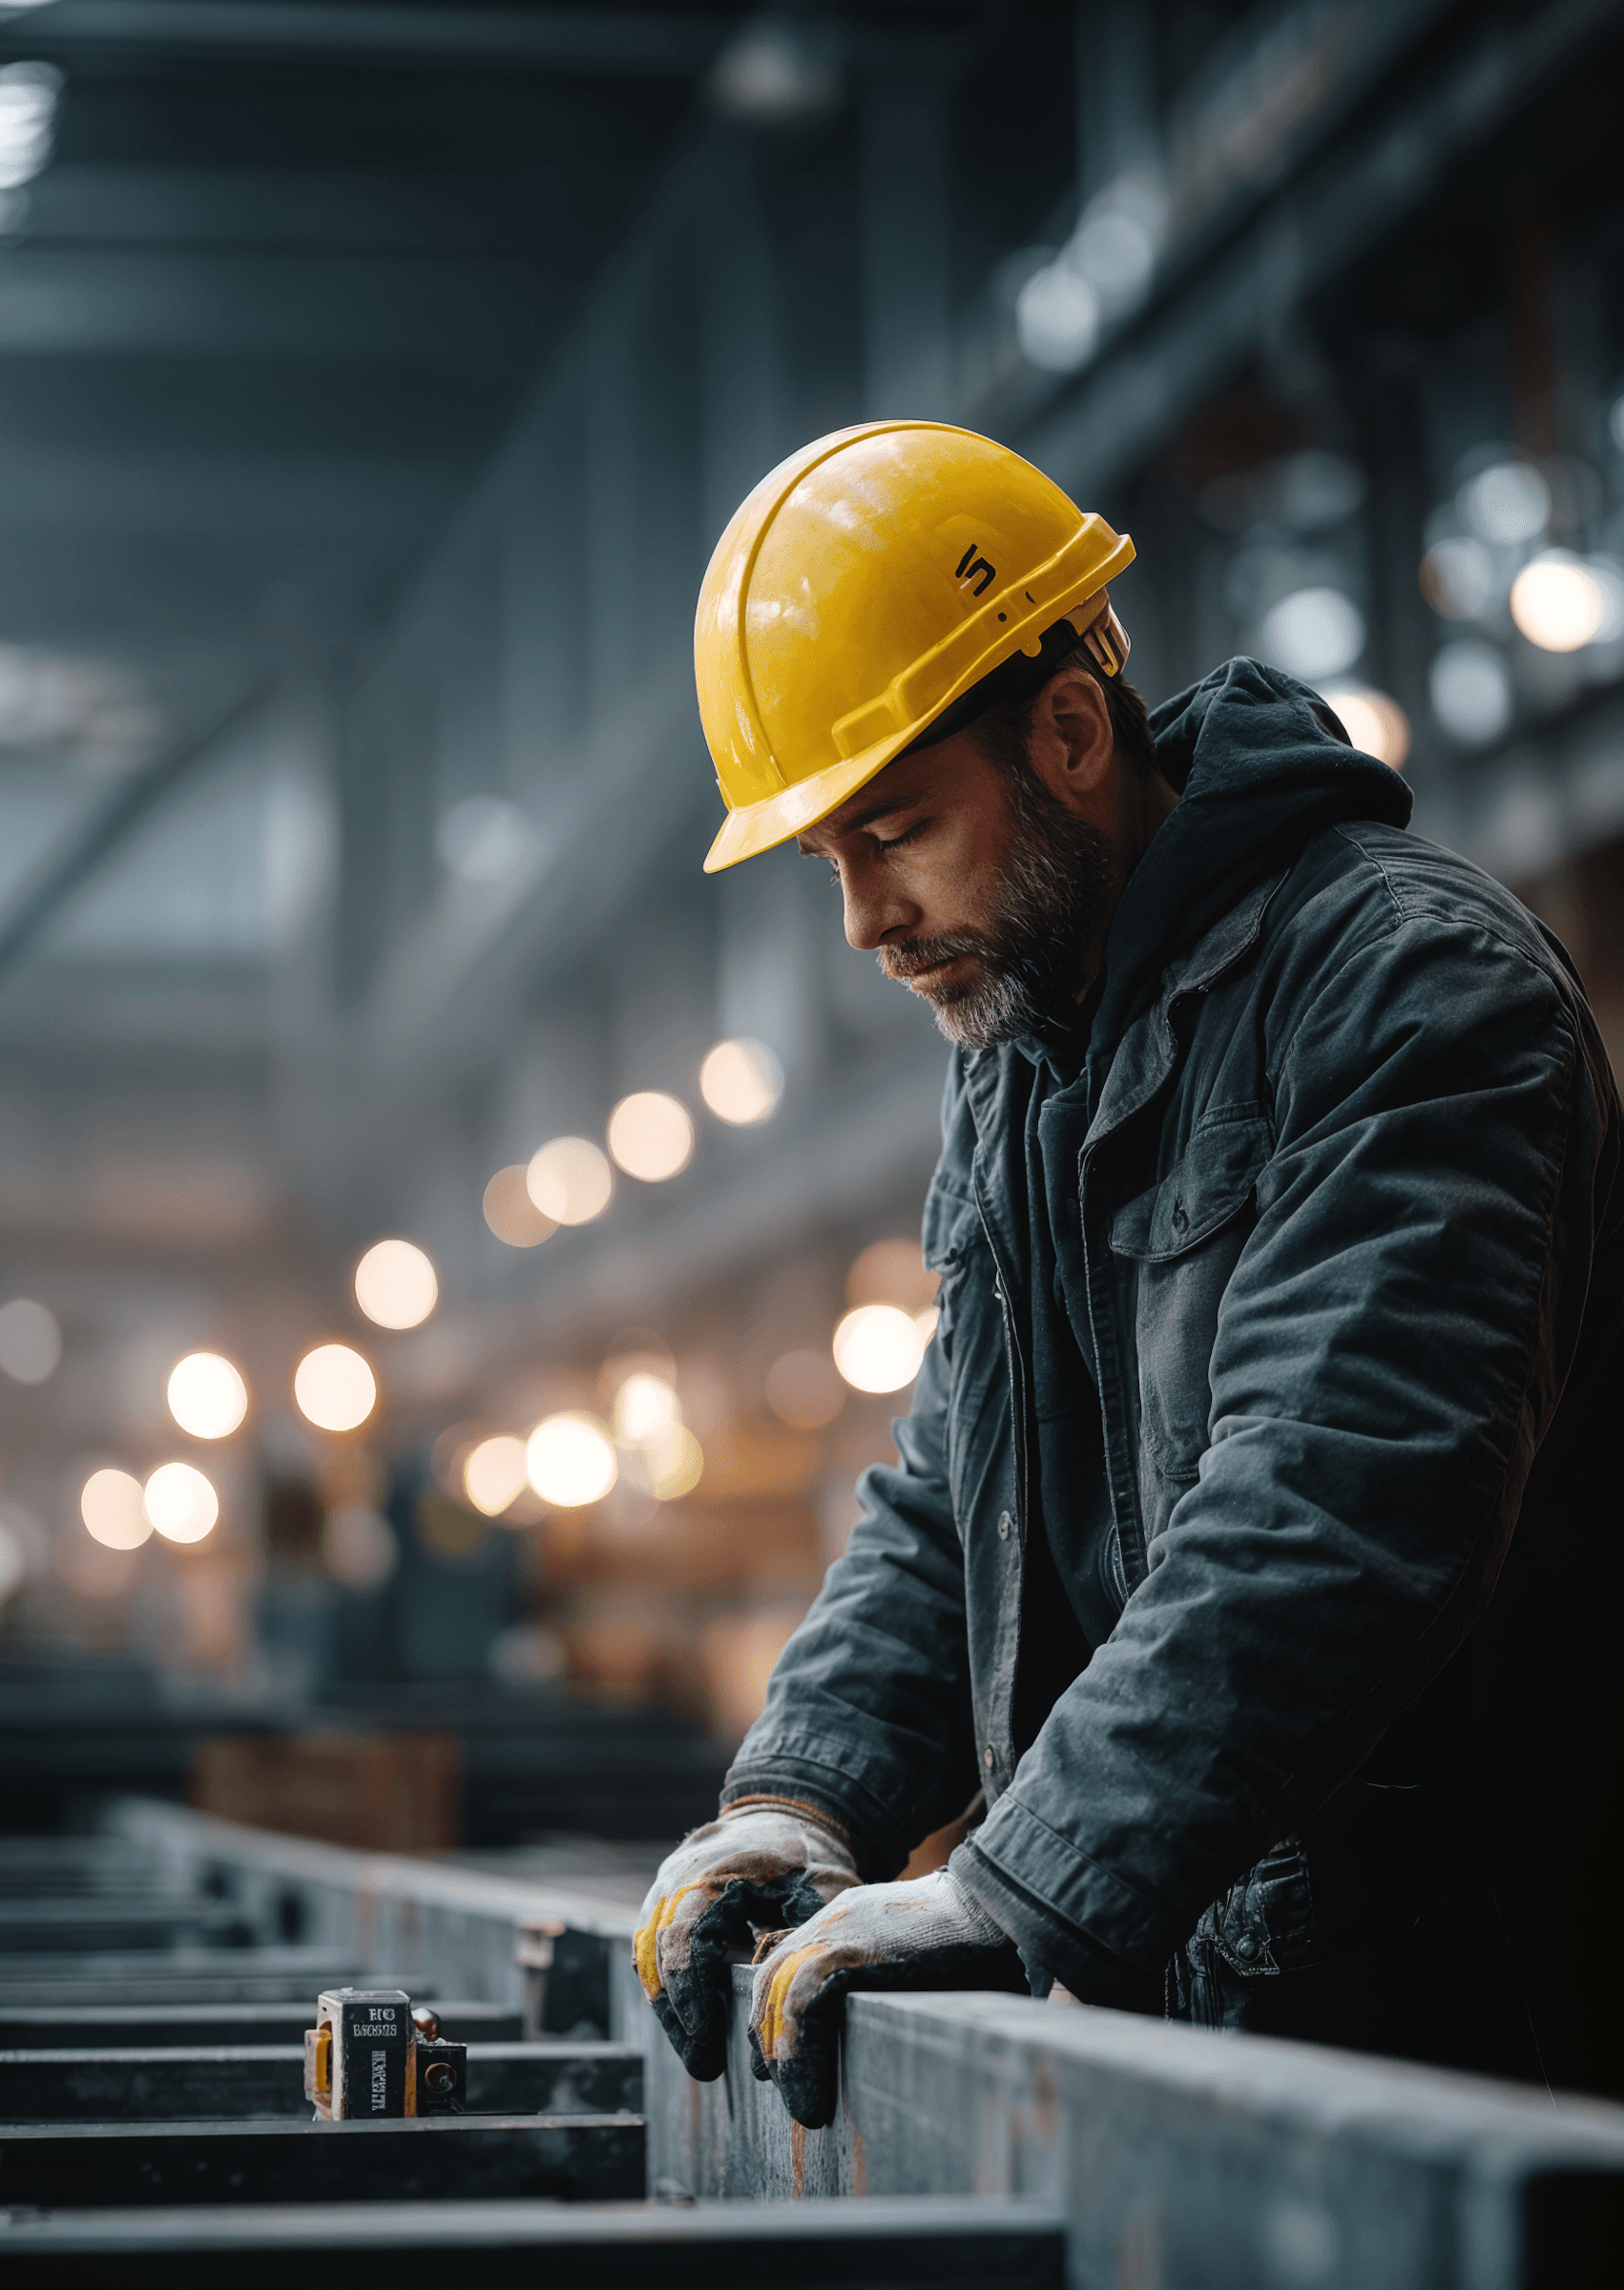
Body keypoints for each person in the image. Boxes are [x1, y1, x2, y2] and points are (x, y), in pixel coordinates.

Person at [632, 422, 1624, 2129]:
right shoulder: (1027, 1066)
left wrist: (1020, 1880)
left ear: (1073, 733)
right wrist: (803, 1795)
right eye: (828, 861)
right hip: (1216, 2032)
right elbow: (955, 1497)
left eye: (895, 832)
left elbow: (1336, 1499)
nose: (862, 921)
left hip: (1470, 2036)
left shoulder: (1411, 991)